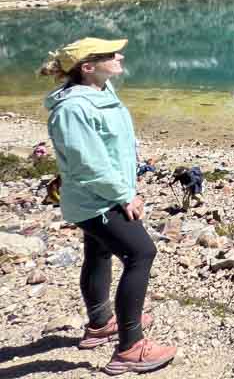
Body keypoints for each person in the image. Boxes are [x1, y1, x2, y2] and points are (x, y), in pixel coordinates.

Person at [40, 37, 176, 375]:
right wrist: (124, 195)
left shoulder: (101, 90)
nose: (120, 56)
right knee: (141, 254)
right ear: (88, 67)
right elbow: (89, 164)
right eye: (110, 54)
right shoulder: (73, 108)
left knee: (99, 252)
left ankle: (100, 324)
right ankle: (130, 348)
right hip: (98, 200)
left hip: (99, 196)